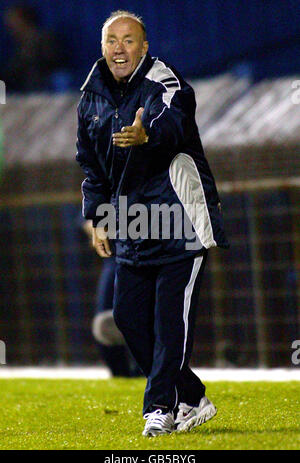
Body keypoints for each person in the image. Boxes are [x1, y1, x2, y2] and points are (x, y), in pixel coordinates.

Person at [76, 10, 229, 436]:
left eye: (129, 40)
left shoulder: (165, 81)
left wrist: (147, 135)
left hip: (179, 223)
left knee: (168, 324)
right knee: (126, 318)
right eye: (112, 40)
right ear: (103, 47)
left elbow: (175, 122)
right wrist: (99, 217)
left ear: (144, 47)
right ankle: (193, 398)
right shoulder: (90, 95)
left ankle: (159, 408)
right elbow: (92, 167)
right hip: (132, 225)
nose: (120, 48)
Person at [81, 219, 142, 377]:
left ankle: (145, 371)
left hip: (143, 259)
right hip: (114, 261)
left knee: (143, 318)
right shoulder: (98, 197)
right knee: (104, 322)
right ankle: (119, 372)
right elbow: (88, 221)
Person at [3, 4, 67, 92]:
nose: (10, 25)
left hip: (45, 87)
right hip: (25, 87)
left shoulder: (44, 39)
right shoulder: (20, 44)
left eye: (14, 21)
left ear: (23, 20)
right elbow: (14, 72)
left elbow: (53, 62)